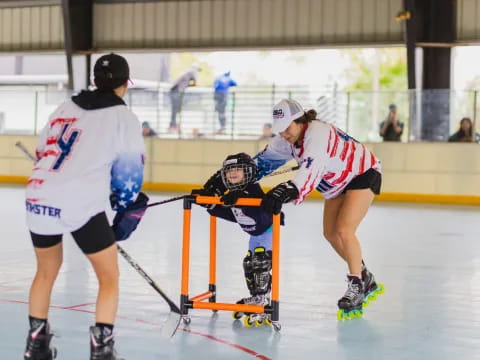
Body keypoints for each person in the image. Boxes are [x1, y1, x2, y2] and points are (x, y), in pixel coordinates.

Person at [204, 99, 384, 320]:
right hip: (335, 183)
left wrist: (288, 189)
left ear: (300, 121)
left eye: (287, 128)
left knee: (344, 230)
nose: (285, 134)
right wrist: (222, 182)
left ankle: (356, 285)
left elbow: (311, 168)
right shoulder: (286, 139)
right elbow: (260, 164)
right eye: (280, 130)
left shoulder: (318, 133)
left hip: (362, 174)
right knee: (330, 234)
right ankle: (365, 276)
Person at [23, 53, 148, 360]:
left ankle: (36, 346)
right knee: (109, 277)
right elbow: (130, 174)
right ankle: (102, 350)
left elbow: (43, 150)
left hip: (39, 195)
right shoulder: (124, 118)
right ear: (125, 84)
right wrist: (125, 208)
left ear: (95, 81)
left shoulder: (66, 106)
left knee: (45, 272)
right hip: (79, 201)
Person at [191, 153, 283, 327]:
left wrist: (241, 198)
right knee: (250, 265)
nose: (232, 174)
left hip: (269, 230)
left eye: (237, 170)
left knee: (260, 262)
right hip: (255, 235)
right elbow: (233, 215)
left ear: (248, 172)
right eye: (228, 171)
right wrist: (209, 204)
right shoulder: (232, 193)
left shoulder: (252, 189)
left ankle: (262, 300)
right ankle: (258, 297)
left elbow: (258, 209)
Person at [168, 64, 201, 132]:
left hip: (175, 91)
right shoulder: (192, 71)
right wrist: (191, 85)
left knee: (176, 110)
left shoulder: (187, 72)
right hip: (176, 91)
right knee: (175, 109)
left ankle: (174, 125)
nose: (198, 72)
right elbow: (196, 83)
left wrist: (188, 85)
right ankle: (173, 126)